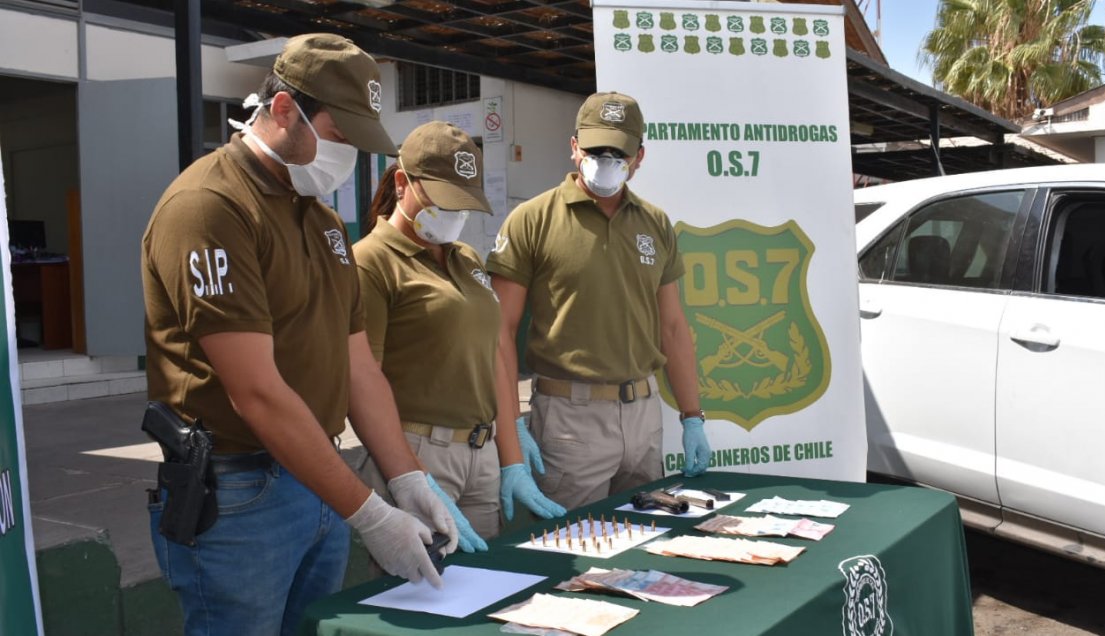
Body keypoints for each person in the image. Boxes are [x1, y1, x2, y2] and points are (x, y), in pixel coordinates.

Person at [141, 33, 457, 636]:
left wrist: (405, 477)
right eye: (341, 138)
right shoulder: (211, 206)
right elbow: (255, 391)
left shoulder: (320, 217)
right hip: (239, 495)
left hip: (318, 479)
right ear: (284, 110)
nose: (349, 158)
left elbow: (357, 365)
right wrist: (371, 515)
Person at [486, 91, 710, 510]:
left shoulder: (655, 223)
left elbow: (673, 327)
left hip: (644, 415)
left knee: (648, 545)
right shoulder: (532, 220)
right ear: (574, 148)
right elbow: (498, 331)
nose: (605, 160)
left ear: (639, 157)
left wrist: (692, 415)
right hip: (570, 417)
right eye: (594, 149)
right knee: (573, 556)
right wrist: (510, 426)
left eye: (618, 152)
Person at [353, 121, 565, 553]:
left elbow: (491, 357)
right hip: (420, 452)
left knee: (484, 590)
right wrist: (410, 473)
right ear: (401, 182)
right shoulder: (369, 263)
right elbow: (361, 380)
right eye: (442, 199)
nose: (453, 215)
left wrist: (510, 453)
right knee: (428, 598)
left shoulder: (466, 258)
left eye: (462, 203)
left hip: (480, 451)